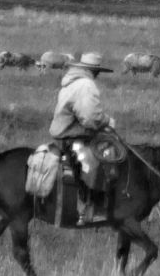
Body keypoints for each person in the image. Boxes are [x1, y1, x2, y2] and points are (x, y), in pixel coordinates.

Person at [48, 52, 116, 224]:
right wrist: (107, 121)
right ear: (94, 71)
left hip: (64, 135)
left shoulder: (71, 83)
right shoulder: (86, 85)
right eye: (97, 71)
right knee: (104, 157)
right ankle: (92, 208)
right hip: (74, 137)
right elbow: (91, 119)